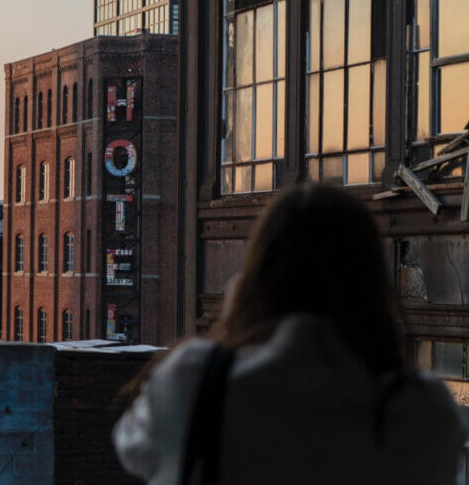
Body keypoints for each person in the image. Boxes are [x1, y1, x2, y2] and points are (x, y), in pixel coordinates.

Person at [113, 184, 466, 485]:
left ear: (257, 277)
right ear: (372, 281)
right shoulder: (424, 411)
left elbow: (133, 447)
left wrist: (232, 324)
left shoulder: (195, 381)